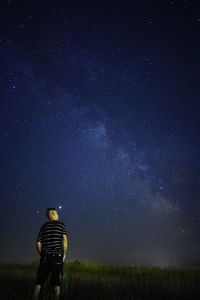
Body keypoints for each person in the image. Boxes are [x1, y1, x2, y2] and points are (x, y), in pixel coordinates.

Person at [32, 208, 68, 300]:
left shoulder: (44, 226)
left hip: (45, 256)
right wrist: (64, 254)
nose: (58, 215)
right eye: (57, 213)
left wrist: (42, 254)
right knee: (56, 282)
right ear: (52, 214)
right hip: (57, 256)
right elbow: (64, 240)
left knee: (39, 281)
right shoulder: (61, 225)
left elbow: (38, 242)